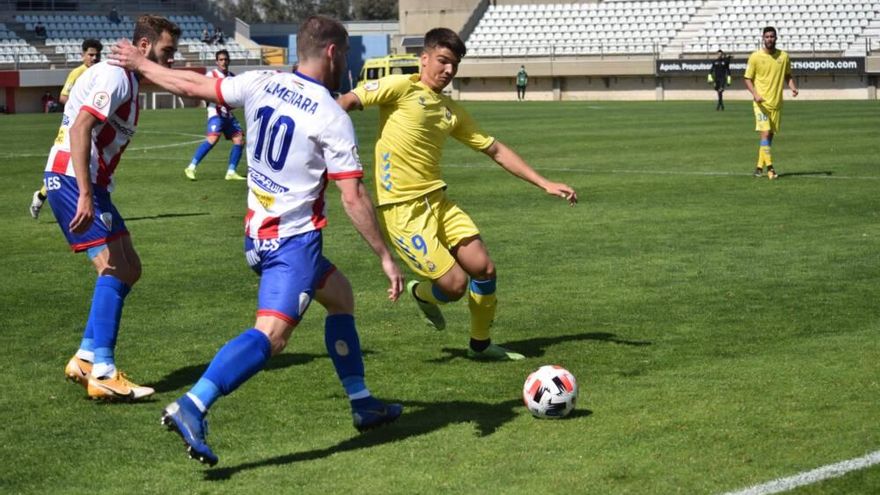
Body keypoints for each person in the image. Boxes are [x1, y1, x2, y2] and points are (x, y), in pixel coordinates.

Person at [110, 15, 405, 466]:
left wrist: (141, 64)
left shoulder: (262, 82)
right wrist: (385, 256)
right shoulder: (331, 115)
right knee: (272, 335)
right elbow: (353, 197)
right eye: (344, 52)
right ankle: (193, 405)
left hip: (255, 235)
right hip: (292, 244)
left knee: (341, 297)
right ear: (331, 52)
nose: (344, 60)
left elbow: (191, 87)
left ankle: (363, 402)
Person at [337, 28, 577, 362]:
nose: (449, 70)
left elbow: (494, 149)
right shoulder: (399, 87)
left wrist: (543, 182)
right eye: (443, 61)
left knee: (484, 268)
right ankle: (421, 293)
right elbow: (345, 102)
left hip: (438, 202)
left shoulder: (451, 111)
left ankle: (480, 345)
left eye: (455, 65)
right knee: (454, 286)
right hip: (402, 211)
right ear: (424, 58)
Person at [44, 15, 181, 401]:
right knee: (115, 267)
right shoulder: (116, 77)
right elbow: (80, 127)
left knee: (129, 266)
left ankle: (86, 357)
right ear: (143, 47)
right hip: (76, 180)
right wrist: (86, 194)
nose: (170, 59)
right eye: (166, 51)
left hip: (88, 183)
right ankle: (103, 370)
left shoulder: (128, 78)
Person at [31, 39, 103, 220]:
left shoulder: (103, 73)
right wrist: (83, 107)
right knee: (67, 165)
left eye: (97, 55)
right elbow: (63, 97)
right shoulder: (77, 73)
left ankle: (46, 197)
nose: (94, 58)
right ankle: (44, 197)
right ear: (83, 55)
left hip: (91, 126)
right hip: (73, 125)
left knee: (85, 165)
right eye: (91, 55)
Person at [744, 26, 798, 180]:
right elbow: (747, 78)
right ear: (763, 38)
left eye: (772, 36)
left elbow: (788, 75)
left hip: (776, 103)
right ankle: (771, 169)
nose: (769, 39)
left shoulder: (784, 56)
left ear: (776, 38)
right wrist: (755, 94)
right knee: (765, 133)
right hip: (760, 104)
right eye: (767, 36)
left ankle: (758, 167)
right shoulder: (755, 57)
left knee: (769, 138)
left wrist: (793, 87)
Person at [184, 49, 246, 181]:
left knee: (239, 140)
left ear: (229, 61)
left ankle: (231, 171)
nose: (223, 62)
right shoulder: (211, 74)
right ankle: (191, 167)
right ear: (217, 62)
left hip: (228, 114)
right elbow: (204, 91)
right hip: (215, 113)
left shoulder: (232, 77)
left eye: (225, 59)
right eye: (221, 60)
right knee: (212, 139)